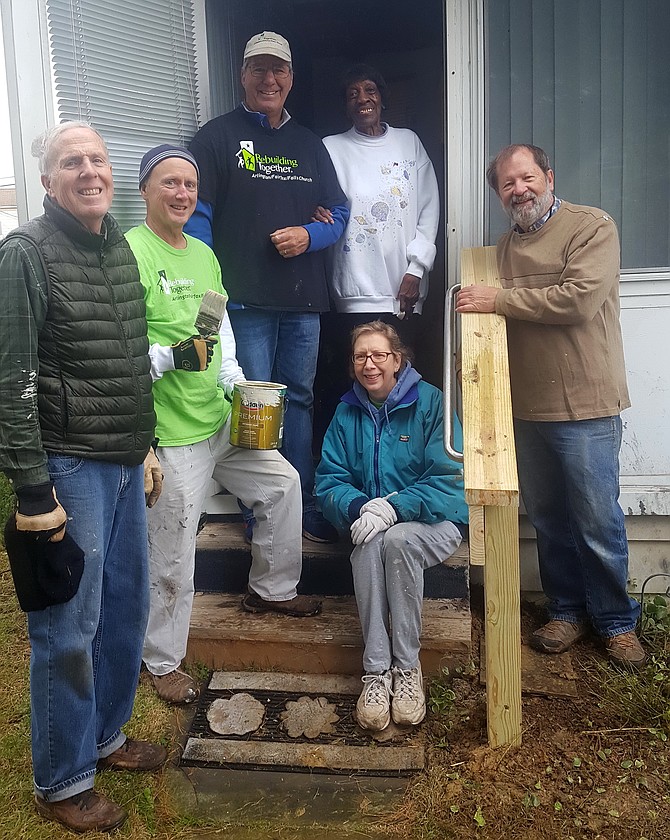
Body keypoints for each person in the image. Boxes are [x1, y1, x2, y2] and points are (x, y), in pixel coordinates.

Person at [0, 122, 166, 833]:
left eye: (98, 159)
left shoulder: (118, 249)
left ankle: (106, 735)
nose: (89, 171)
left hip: (126, 460)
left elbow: (129, 361)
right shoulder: (26, 253)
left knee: (124, 610)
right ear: (47, 182)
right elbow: (12, 378)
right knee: (68, 627)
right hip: (69, 466)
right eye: (72, 162)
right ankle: (62, 779)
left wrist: (149, 443)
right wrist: (34, 492)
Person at [126, 144, 322, 705]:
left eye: (188, 184)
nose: (181, 193)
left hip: (217, 420)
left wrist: (238, 383)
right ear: (145, 191)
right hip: (170, 435)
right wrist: (169, 358)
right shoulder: (129, 255)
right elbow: (117, 355)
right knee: (172, 547)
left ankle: (272, 589)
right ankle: (160, 660)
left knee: (282, 484)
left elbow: (218, 331)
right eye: (169, 183)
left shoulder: (204, 256)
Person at [456, 143, 645, 668]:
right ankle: (565, 611)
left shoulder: (591, 227)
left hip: (587, 405)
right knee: (547, 519)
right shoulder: (499, 252)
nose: (519, 190)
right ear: (499, 194)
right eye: (507, 184)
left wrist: (499, 300)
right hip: (527, 408)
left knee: (596, 519)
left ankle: (615, 621)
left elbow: (578, 299)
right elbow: (491, 320)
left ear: (548, 176)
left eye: (526, 178)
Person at [185, 31, 349, 543]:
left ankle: (297, 505)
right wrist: (210, 281)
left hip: (302, 301)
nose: (269, 79)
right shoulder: (215, 138)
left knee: (298, 400)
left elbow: (341, 213)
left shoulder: (309, 143)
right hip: (243, 302)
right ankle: (260, 507)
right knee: (254, 403)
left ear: (291, 79)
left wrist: (310, 234)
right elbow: (197, 218)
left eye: (278, 70)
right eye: (258, 69)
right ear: (243, 76)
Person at [315, 321, 468, 731]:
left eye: (379, 355)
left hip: (434, 521)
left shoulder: (431, 403)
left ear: (398, 360)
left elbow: (450, 479)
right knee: (367, 546)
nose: (370, 364)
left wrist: (395, 507)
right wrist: (362, 506)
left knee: (397, 541)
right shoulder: (347, 411)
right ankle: (377, 673)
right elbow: (328, 480)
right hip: (372, 524)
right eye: (361, 356)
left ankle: (408, 670)